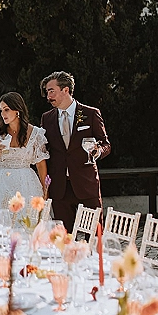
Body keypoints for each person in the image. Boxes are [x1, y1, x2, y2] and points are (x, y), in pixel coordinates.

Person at [40, 70, 110, 232]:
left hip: (86, 184)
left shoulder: (91, 114)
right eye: (47, 92)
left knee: (94, 235)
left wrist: (98, 151)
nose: (48, 96)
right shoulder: (47, 118)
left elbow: (106, 144)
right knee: (65, 238)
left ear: (65, 90)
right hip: (60, 189)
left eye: (51, 91)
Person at [0, 91, 49, 220]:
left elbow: (41, 164)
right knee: (1, 221)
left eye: (7, 110)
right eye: (1, 110)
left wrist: (45, 190)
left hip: (27, 184)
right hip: (1, 184)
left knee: (27, 221)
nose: (3, 114)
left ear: (17, 110)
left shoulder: (36, 134)